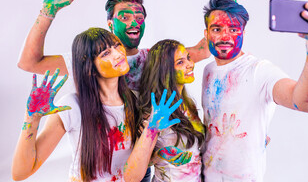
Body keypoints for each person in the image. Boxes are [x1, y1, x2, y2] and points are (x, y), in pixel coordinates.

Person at [201, 0, 308, 181]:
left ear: (244, 34)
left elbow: (303, 101)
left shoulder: (259, 71)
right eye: (217, 29)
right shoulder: (208, 70)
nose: (225, 37)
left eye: (233, 29)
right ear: (206, 34)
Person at [12, 28, 183, 182]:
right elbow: (21, 173)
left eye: (117, 46)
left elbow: (133, 176)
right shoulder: (72, 106)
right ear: (89, 68)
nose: (118, 54)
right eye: (105, 53)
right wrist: (32, 118)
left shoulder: (135, 102)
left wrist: (154, 140)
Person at [17, 0, 210, 92]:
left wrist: (223, 16)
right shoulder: (91, 60)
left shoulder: (154, 58)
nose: (134, 22)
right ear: (110, 24)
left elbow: (202, 50)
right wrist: (47, 14)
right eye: (125, 17)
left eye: (139, 17)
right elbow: (29, 63)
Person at [123, 39, 205, 182]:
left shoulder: (187, 103)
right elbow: (131, 176)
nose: (190, 65)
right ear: (165, 70)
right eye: (180, 62)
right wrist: (152, 129)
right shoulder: (154, 113)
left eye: (188, 58)